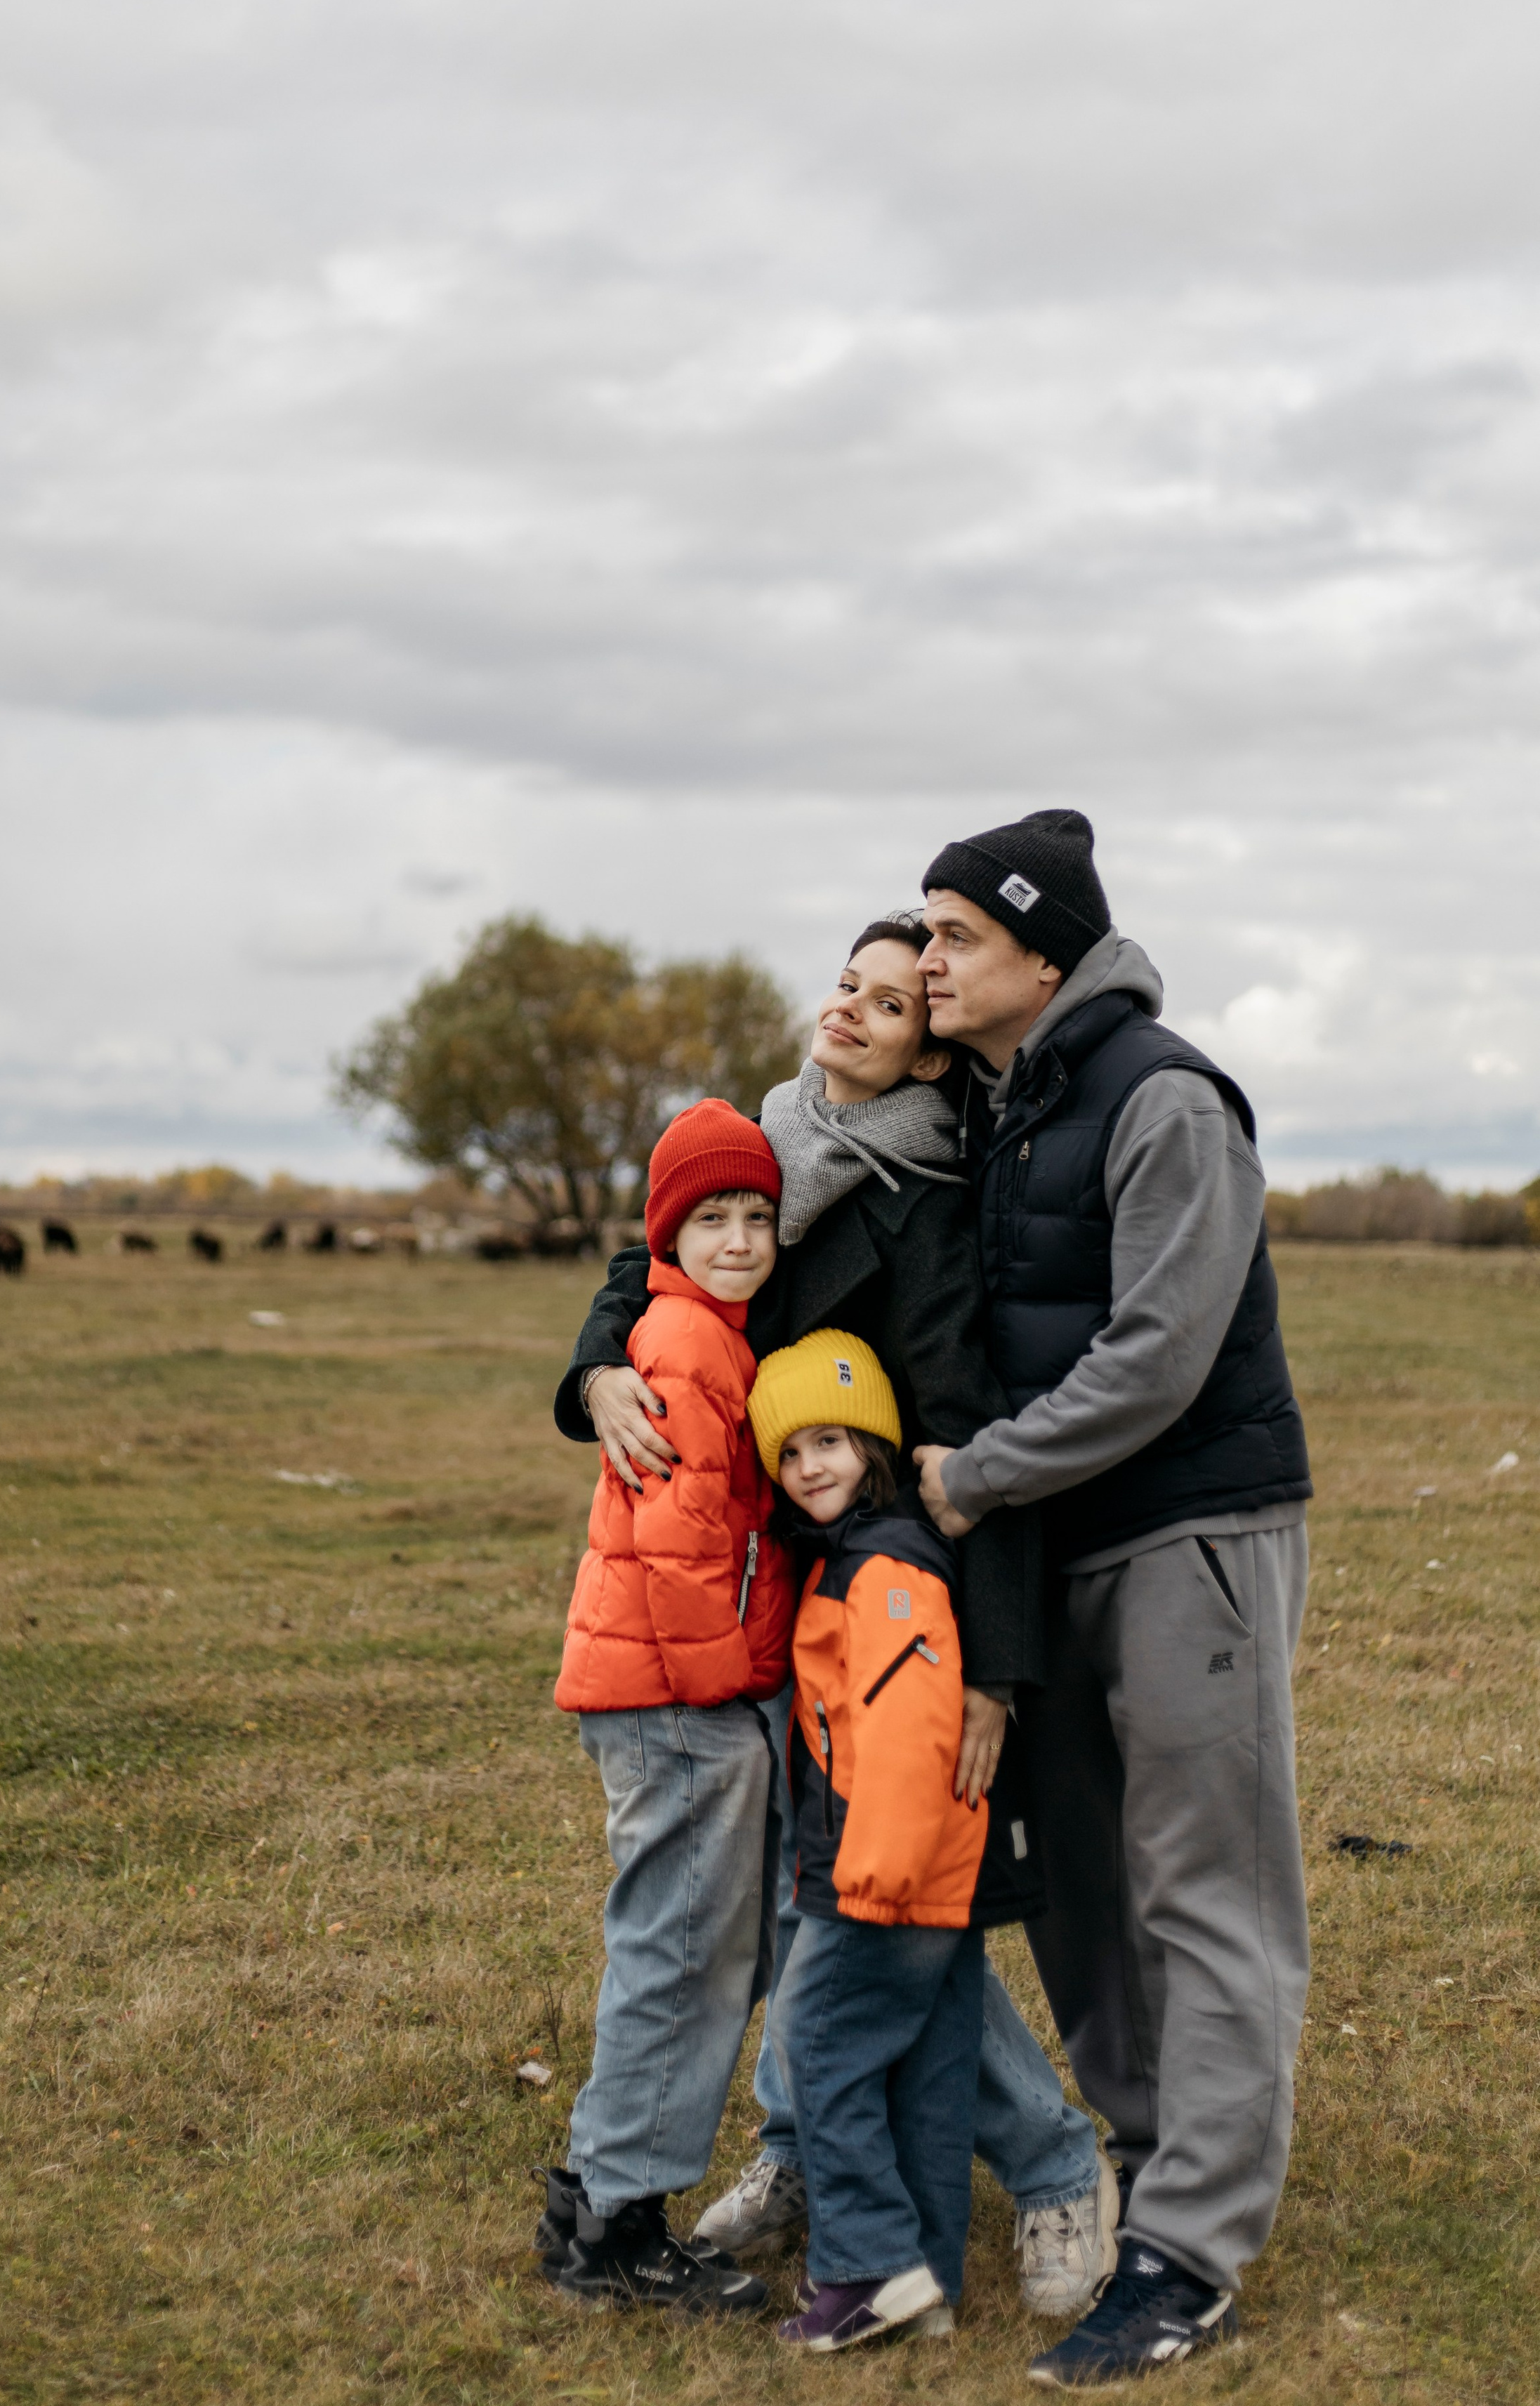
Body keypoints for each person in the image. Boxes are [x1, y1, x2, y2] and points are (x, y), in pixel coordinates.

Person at [555, 916, 1118, 2320]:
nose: (851, 1012)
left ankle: (1054, 2166)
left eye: (890, 1003)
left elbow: (976, 1439)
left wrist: (988, 1667)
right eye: (846, 985)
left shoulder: (928, 1207)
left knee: (889, 1907)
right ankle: (807, 2152)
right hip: (765, 1607)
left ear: (928, 1056)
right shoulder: (768, 1144)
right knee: (819, 1908)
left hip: (884, 1592)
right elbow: (648, 1262)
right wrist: (595, 1372)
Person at [912, 808, 1312, 2390]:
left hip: (1186, 1530)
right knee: (1078, 1885)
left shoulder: (1164, 1099)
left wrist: (976, 1475)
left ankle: (1188, 2257)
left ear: (1044, 955)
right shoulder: (995, 1108)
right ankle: (1153, 2165)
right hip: (1050, 1550)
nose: (926, 959)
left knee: (1205, 1888)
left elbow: (1156, 1354)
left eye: (955, 934)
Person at [540, 1098, 798, 2314]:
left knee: (689, 1941)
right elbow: (681, 1541)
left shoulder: (708, 1329)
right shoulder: (690, 1342)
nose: (739, 1239)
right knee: (683, 1947)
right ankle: (615, 2225)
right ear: (666, 1236)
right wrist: (726, 1691)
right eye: (712, 1220)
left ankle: (599, 2196)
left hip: (669, 1688)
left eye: (758, 1217)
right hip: (679, 1695)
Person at [749, 1330, 1033, 2351]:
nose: (810, 1465)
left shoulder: (886, 1570)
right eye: (790, 1452)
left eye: (831, 1440)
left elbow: (913, 1733)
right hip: (915, 1874)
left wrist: (873, 1876)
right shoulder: (860, 1559)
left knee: (820, 2045)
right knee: (930, 2072)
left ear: (874, 1446)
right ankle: (927, 2280)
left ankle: (865, 2267)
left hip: (886, 1874)